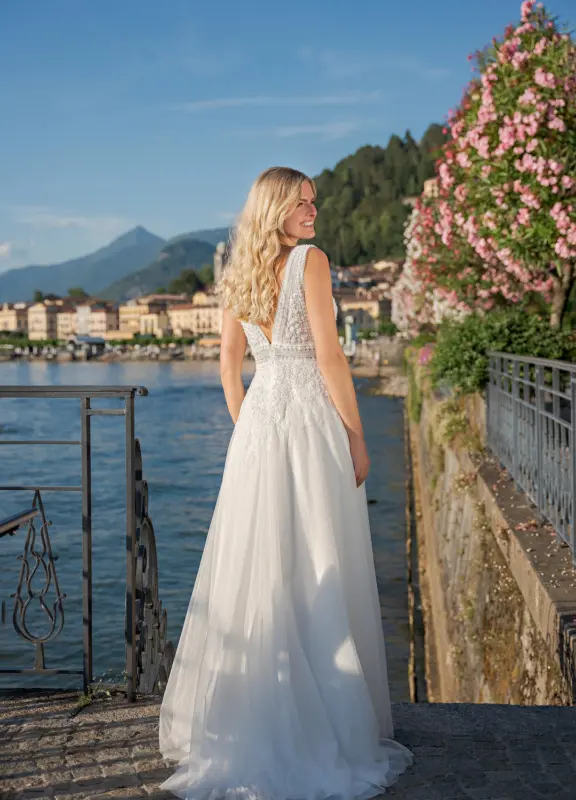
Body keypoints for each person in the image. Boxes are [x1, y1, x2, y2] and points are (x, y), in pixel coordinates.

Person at [158, 167, 413, 799]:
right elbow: (330, 357)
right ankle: (319, 716)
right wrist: (356, 437)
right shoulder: (311, 261)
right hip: (307, 423)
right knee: (317, 555)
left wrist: (250, 425)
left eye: (315, 204)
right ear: (276, 208)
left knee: (257, 566)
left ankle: (251, 712)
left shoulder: (237, 271)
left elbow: (228, 366)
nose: (314, 213)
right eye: (303, 204)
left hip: (262, 428)